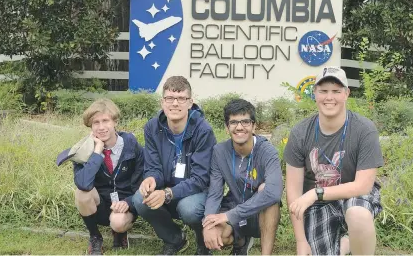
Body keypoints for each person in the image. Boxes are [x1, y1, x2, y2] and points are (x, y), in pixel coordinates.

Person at [284, 67, 384, 255]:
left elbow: (363, 186)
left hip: (354, 196)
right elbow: (293, 192)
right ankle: (346, 243)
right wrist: (300, 241)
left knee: (358, 214)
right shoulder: (300, 133)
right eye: (323, 91)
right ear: (314, 94)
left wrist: (316, 192)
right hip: (317, 205)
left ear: (346, 94)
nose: (329, 97)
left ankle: (356, 242)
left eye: (336, 91)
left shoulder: (364, 130)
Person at [133, 76, 217, 255]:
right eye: (169, 98)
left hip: (197, 193)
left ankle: (203, 243)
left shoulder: (203, 131)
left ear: (190, 102)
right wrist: (150, 179)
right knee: (140, 200)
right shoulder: (152, 127)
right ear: (162, 102)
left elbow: (201, 179)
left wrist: (167, 194)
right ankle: (174, 239)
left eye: (181, 99)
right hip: (166, 188)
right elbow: (153, 166)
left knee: (189, 209)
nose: (175, 104)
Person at [56, 98, 144, 255]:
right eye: (96, 123)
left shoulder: (132, 146)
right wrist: (97, 152)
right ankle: (95, 237)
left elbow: (141, 182)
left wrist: (128, 202)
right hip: (100, 205)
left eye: (106, 121)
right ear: (90, 126)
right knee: (81, 194)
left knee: (118, 223)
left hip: (124, 205)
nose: (101, 127)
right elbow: (83, 184)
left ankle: (119, 231)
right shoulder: (83, 151)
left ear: (115, 122)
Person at [202, 99, 283, 255]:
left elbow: (274, 193)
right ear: (227, 127)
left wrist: (229, 215)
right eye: (233, 122)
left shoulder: (267, 151)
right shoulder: (220, 151)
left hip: (259, 212)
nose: (239, 127)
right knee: (218, 235)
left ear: (254, 126)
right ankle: (240, 241)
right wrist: (208, 223)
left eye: (245, 122)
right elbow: (214, 193)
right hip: (234, 205)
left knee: (267, 192)